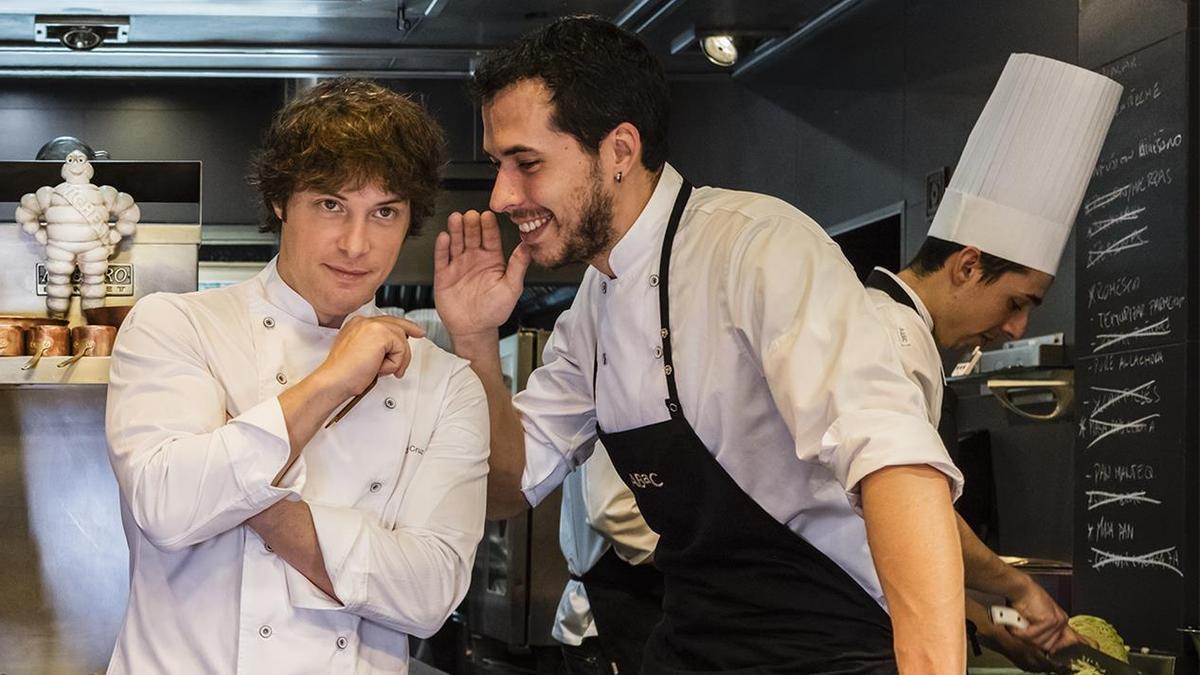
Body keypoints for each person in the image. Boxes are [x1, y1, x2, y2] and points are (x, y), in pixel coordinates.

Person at [434, 16, 967, 673]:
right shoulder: (593, 309)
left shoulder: (756, 248)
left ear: (620, 150)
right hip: (693, 644)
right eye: (499, 166)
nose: (502, 195)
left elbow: (896, 464)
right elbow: (509, 486)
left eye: (527, 164)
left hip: (827, 649)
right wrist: (476, 341)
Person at [104, 78, 489, 674]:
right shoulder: (177, 326)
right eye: (331, 204)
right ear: (282, 200)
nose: (357, 243)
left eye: (384, 212)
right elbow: (166, 509)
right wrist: (332, 380)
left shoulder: (446, 384)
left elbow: (430, 596)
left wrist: (248, 492)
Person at [862, 54, 1121, 671]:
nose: (1016, 327)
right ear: (968, 265)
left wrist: (998, 627)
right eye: (1015, 302)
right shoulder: (885, 339)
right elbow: (910, 513)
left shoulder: (901, 335)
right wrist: (1017, 587)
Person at [555, 441, 661, 675]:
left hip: (623, 607)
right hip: (615, 610)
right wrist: (682, 553)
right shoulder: (616, 409)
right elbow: (612, 511)